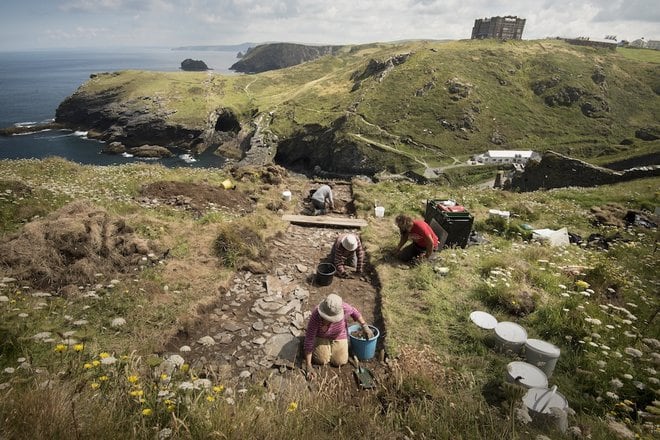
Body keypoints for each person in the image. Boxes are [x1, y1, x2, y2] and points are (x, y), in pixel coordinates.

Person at [303, 293, 374, 379]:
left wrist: (365, 326)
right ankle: (326, 349)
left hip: (339, 335)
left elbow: (355, 312)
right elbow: (309, 339)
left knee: (340, 361)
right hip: (322, 337)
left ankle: (333, 348)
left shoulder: (344, 308)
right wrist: (309, 365)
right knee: (321, 360)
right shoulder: (316, 315)